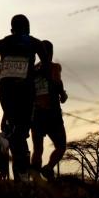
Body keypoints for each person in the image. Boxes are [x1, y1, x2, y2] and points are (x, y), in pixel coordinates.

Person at [0, 14, 49, 182]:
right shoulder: (35, 42)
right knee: (22, 129)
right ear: (28, 28)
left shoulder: (2, 42)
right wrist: (34, 72)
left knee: (15, 127)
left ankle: (19, 168)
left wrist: (0, 67)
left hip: (5, 88)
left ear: (11, 29)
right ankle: (7, 146)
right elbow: (46, 64)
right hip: (24, 88)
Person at [30, 40, 68, 181]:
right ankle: (48, 167)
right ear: (50, 52)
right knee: (61, 146)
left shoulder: (32, 70)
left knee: (37, 149)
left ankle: (35, 179)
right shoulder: (54, 67)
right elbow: (57, 82)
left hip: (36, 114)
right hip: (52, 113)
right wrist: (63, 95)